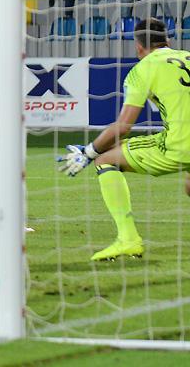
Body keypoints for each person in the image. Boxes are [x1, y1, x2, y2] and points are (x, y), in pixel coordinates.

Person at [58, 18, 190, 259]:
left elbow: (123, 127)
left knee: (105, 160)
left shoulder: (142, 69)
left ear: (138, 46)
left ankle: (128, 239)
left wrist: (89, 152)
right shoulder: (187, 56)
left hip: (179, 145)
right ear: (168, 41)